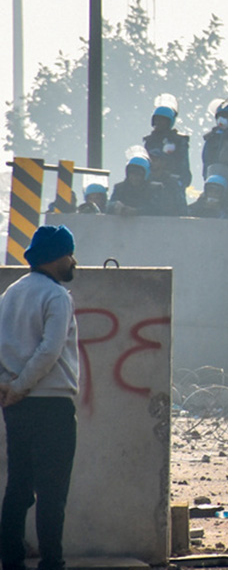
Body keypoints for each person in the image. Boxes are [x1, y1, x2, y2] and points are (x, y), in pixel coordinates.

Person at [0, 225, 79, 570]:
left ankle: (11, 558)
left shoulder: (11, 293)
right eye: (69, 254)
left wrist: (10, 387)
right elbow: (50, 351)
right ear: (56, 257)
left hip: (17, 405)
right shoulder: (57, 296)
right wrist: (20, 387)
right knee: (52, 491)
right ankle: (51, 561)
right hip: (52, 403)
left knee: (18, 486)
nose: (73, 261)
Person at [142, 105, 192, 189]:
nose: (159, 123)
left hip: (172, 180)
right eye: (157, 120)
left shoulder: (178, 140)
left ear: (169, 122)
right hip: (151, 179)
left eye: (163, 120)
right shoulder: (149, 141)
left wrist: (180, 181)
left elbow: (184, 165)